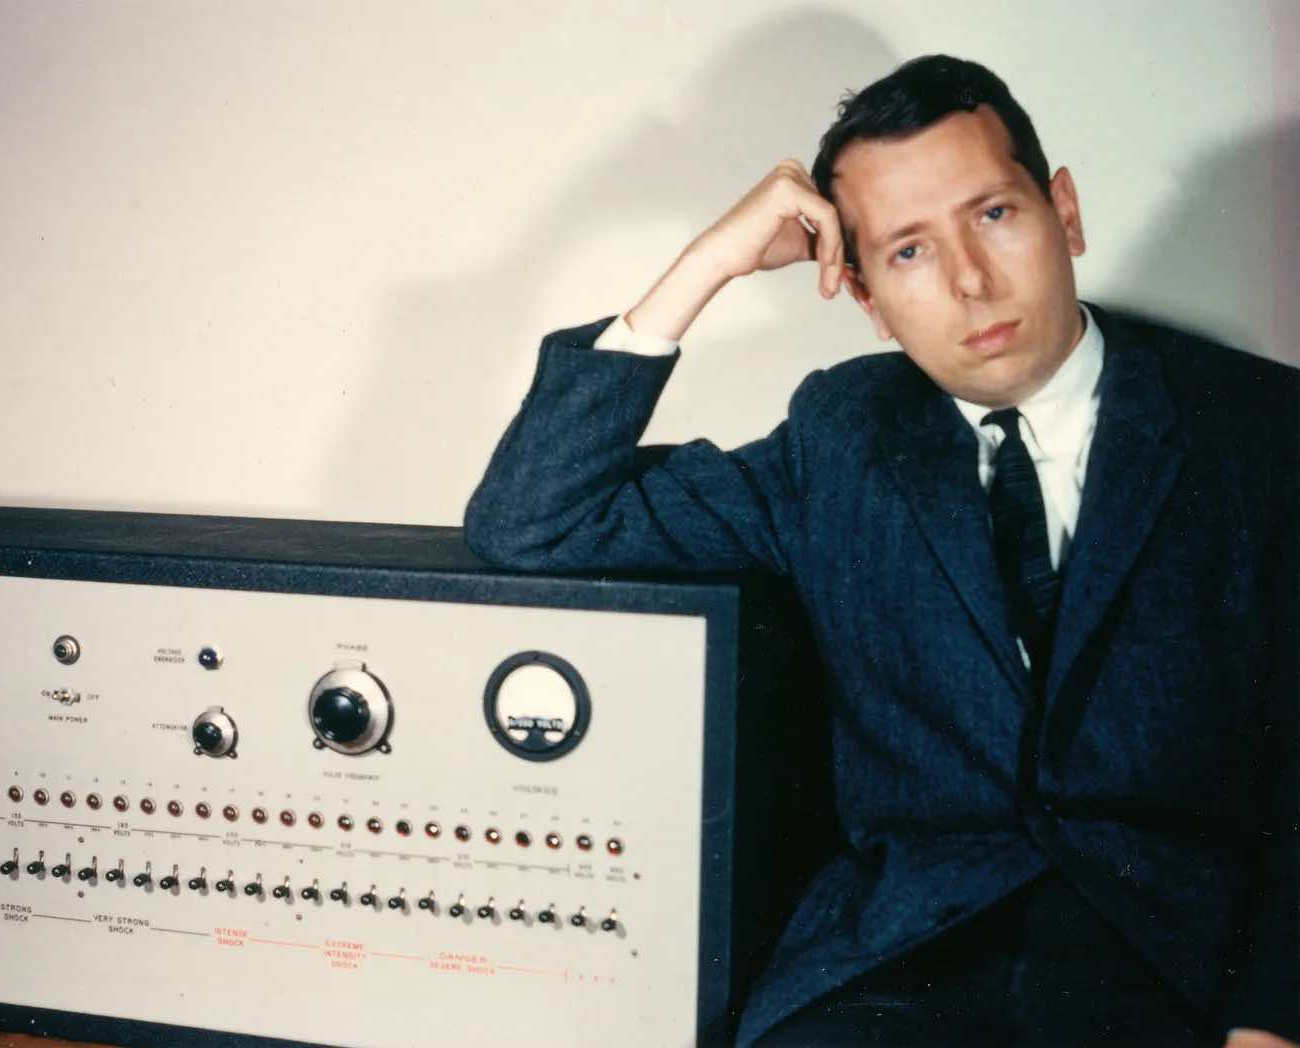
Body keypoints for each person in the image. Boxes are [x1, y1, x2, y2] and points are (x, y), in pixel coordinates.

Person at [464, 55, 1297, 1047]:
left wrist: (1271, 1015)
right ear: (859, 293)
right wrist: (706, 264)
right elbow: (535, 519)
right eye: (906, 252)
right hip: (900, 971)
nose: (969, 282)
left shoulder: (1256, 428)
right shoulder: (839, 436)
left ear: (1062, 211)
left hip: (1170, 973)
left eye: (993, 215)